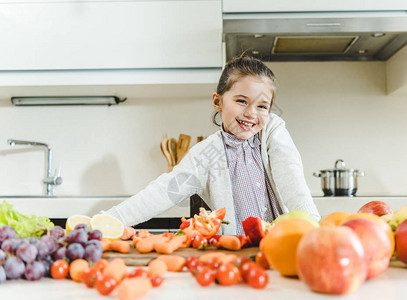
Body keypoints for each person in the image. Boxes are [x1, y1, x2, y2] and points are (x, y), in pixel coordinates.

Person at [104, 55, 320, 235]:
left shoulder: (272, 131)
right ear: (218, 102)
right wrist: (110, 219)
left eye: (262, 106)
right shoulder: (205, 155)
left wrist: (314, 230)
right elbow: (164, 192)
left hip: (282, 246)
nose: (251, 113)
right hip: (236, 254)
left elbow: (292, 179)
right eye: (241, 101)